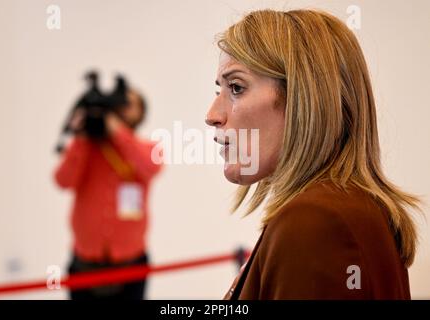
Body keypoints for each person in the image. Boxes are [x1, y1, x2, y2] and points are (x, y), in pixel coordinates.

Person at [205, 9, 421, 299]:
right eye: (219, 90)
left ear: (302, 98)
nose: (212, 115)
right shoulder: (347, 208)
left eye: (236, 87)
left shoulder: (315, 222)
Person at [54, 87, 162, 300]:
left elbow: (151, 167)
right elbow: (63, 181)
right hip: (84, 263)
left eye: (129, 104)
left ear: (141, 114)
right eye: (118, 104)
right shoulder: (86, 148)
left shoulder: (148, 148)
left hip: (131, 263)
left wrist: (117, 131)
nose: (121, 109)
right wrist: (81, 137)